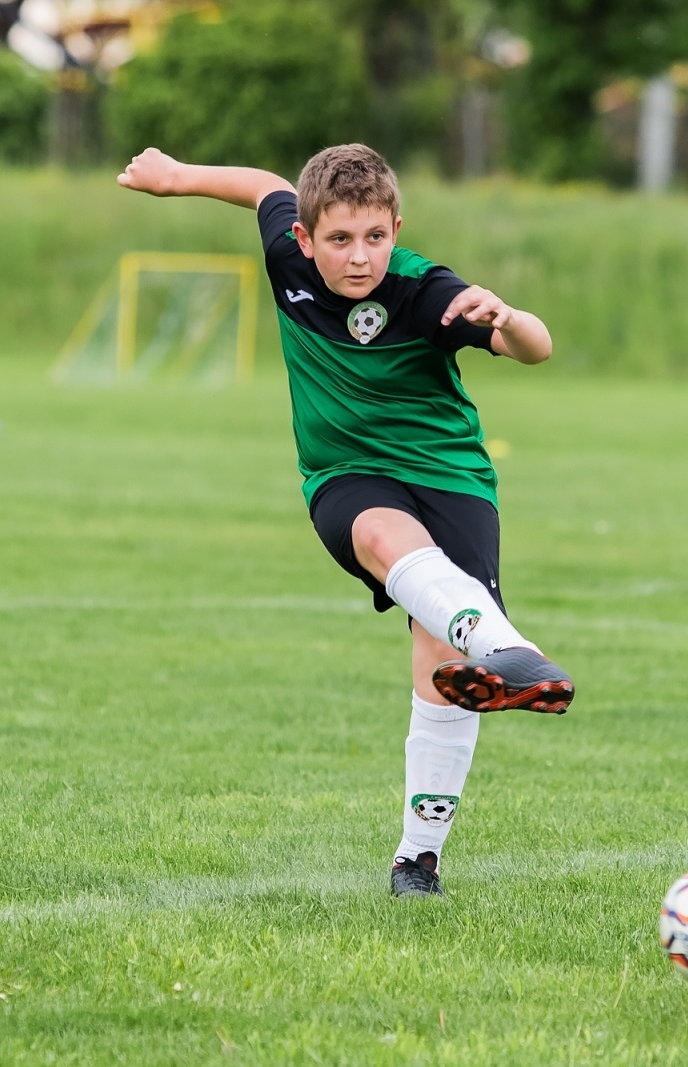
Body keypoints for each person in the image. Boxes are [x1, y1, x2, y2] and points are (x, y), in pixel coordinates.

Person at [116, 143, 574, 897]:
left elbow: (536, 349)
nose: (359, 257)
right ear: (304, 238)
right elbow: (264, 185)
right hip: (345, 476)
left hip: (452, 478)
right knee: (377, 536)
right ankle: (509, 648)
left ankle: (416, 859)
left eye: (375, 237)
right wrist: (177, 180)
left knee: (441, 663)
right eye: (338, 239)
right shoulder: (286, 261)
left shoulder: (425, 289)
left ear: (396, 227)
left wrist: (511, 316)